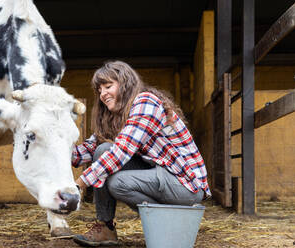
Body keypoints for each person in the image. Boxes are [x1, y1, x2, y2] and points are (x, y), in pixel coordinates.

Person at [71, 60, 211, 247]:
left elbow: (122, 151)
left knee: (116, 182)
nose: (103, 94)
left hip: (185, 184)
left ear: (125, 83)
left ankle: (171, 223)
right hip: (160, 175)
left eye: (108, 86)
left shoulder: (146, 102)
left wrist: (79, 184)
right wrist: (53, 152)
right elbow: (87, 150)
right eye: (99, 90)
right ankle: (106, 229)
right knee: (102, 149)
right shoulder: (115, 117)